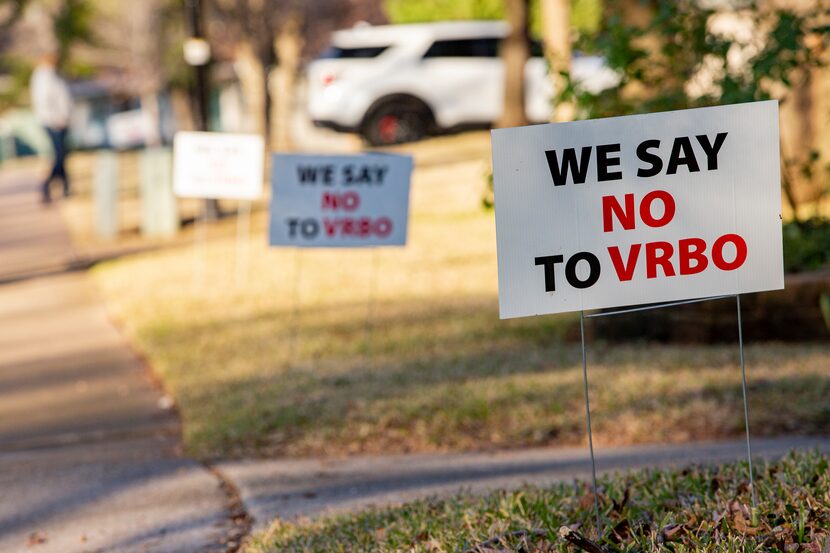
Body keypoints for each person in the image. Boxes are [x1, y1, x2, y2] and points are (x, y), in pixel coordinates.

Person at [30, 53, 73, 203]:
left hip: (60, 120)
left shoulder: (53, 75)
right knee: (60, 155)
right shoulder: (43, 77)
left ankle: (66, 188)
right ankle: (47, 185)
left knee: (63, 155)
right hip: (54, 122)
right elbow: (45, 101)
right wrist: (56, 119)